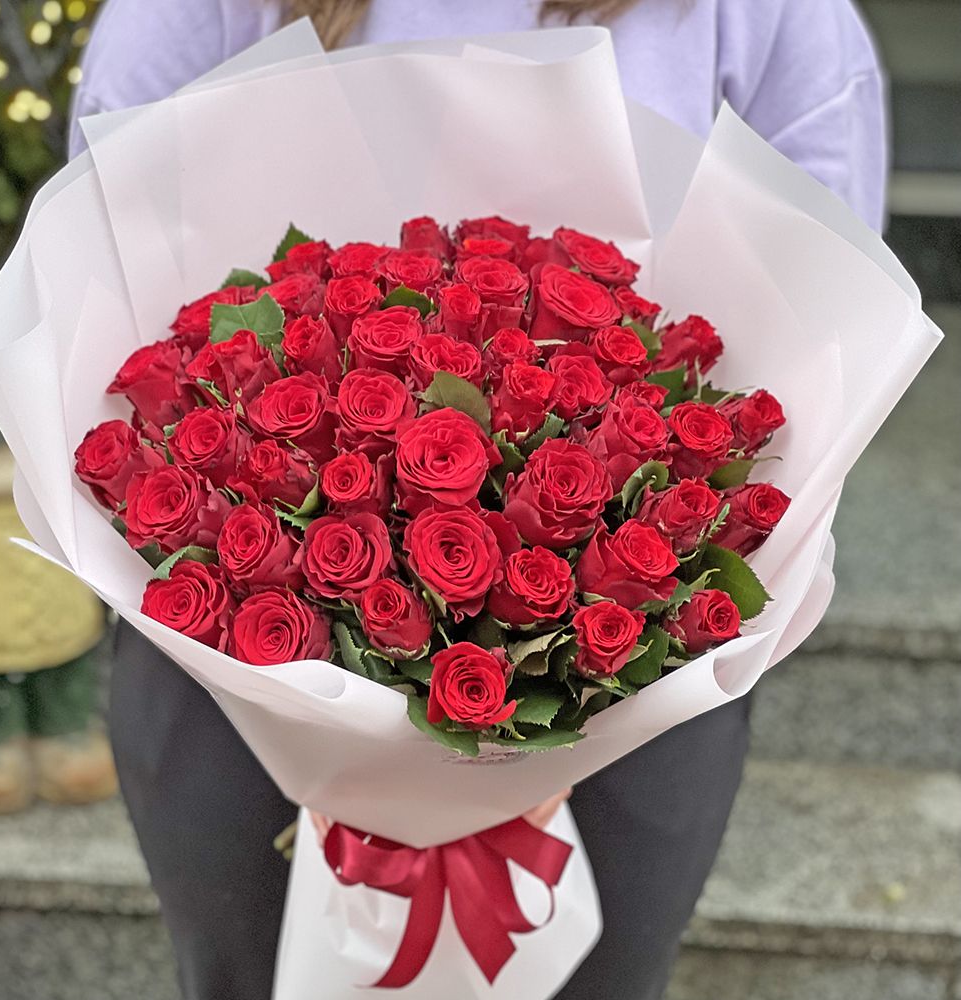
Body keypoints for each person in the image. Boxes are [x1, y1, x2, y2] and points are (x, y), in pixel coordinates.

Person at [69, 2, 886, 998]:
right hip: (233, 683)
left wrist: (556, 720)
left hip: (637, 697)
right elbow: (103, 249)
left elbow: (826, 305)